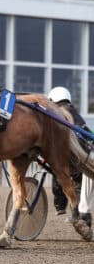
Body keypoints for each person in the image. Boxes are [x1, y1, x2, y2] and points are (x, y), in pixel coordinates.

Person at [47, 86, 93, 241]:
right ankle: (81, 216)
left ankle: (61, 206)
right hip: (82, 156)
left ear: (52, 100)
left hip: (69, 157)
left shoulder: (54, 113)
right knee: (80, 183)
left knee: (58, 173)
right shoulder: (76, 115)